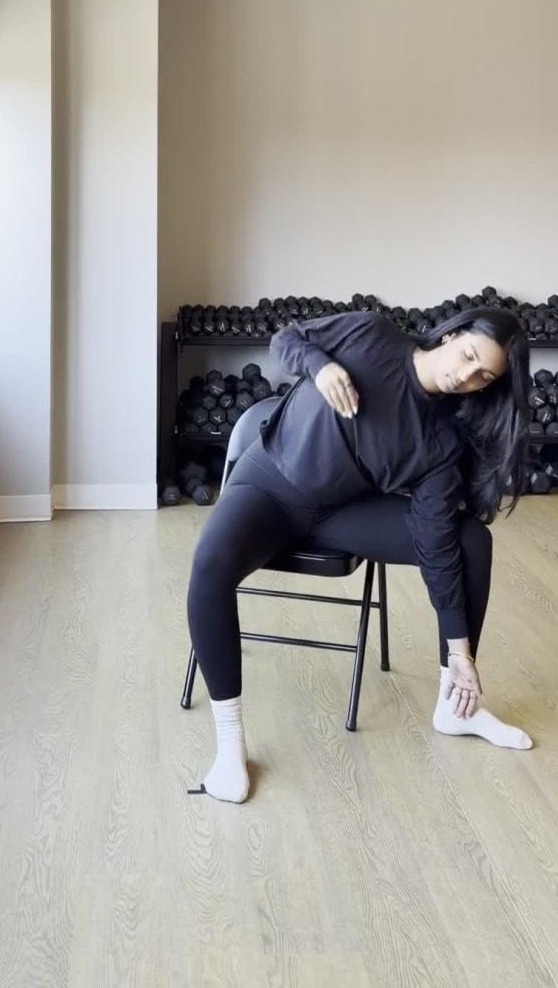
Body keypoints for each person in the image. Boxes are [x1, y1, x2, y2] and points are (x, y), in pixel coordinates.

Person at [186, 306, 533, 803]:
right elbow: (286, 339)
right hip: (269, 485)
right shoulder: (372, 335)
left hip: (337, 514)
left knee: (471, 540)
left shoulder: (441, 441)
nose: (466, 376)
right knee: (209, 566)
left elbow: (435, 537)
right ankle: (229, 745)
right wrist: (320, 365)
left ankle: (455, 705)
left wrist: (461, 654)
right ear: (452, 335)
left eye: (484, 377)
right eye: (469, 355)